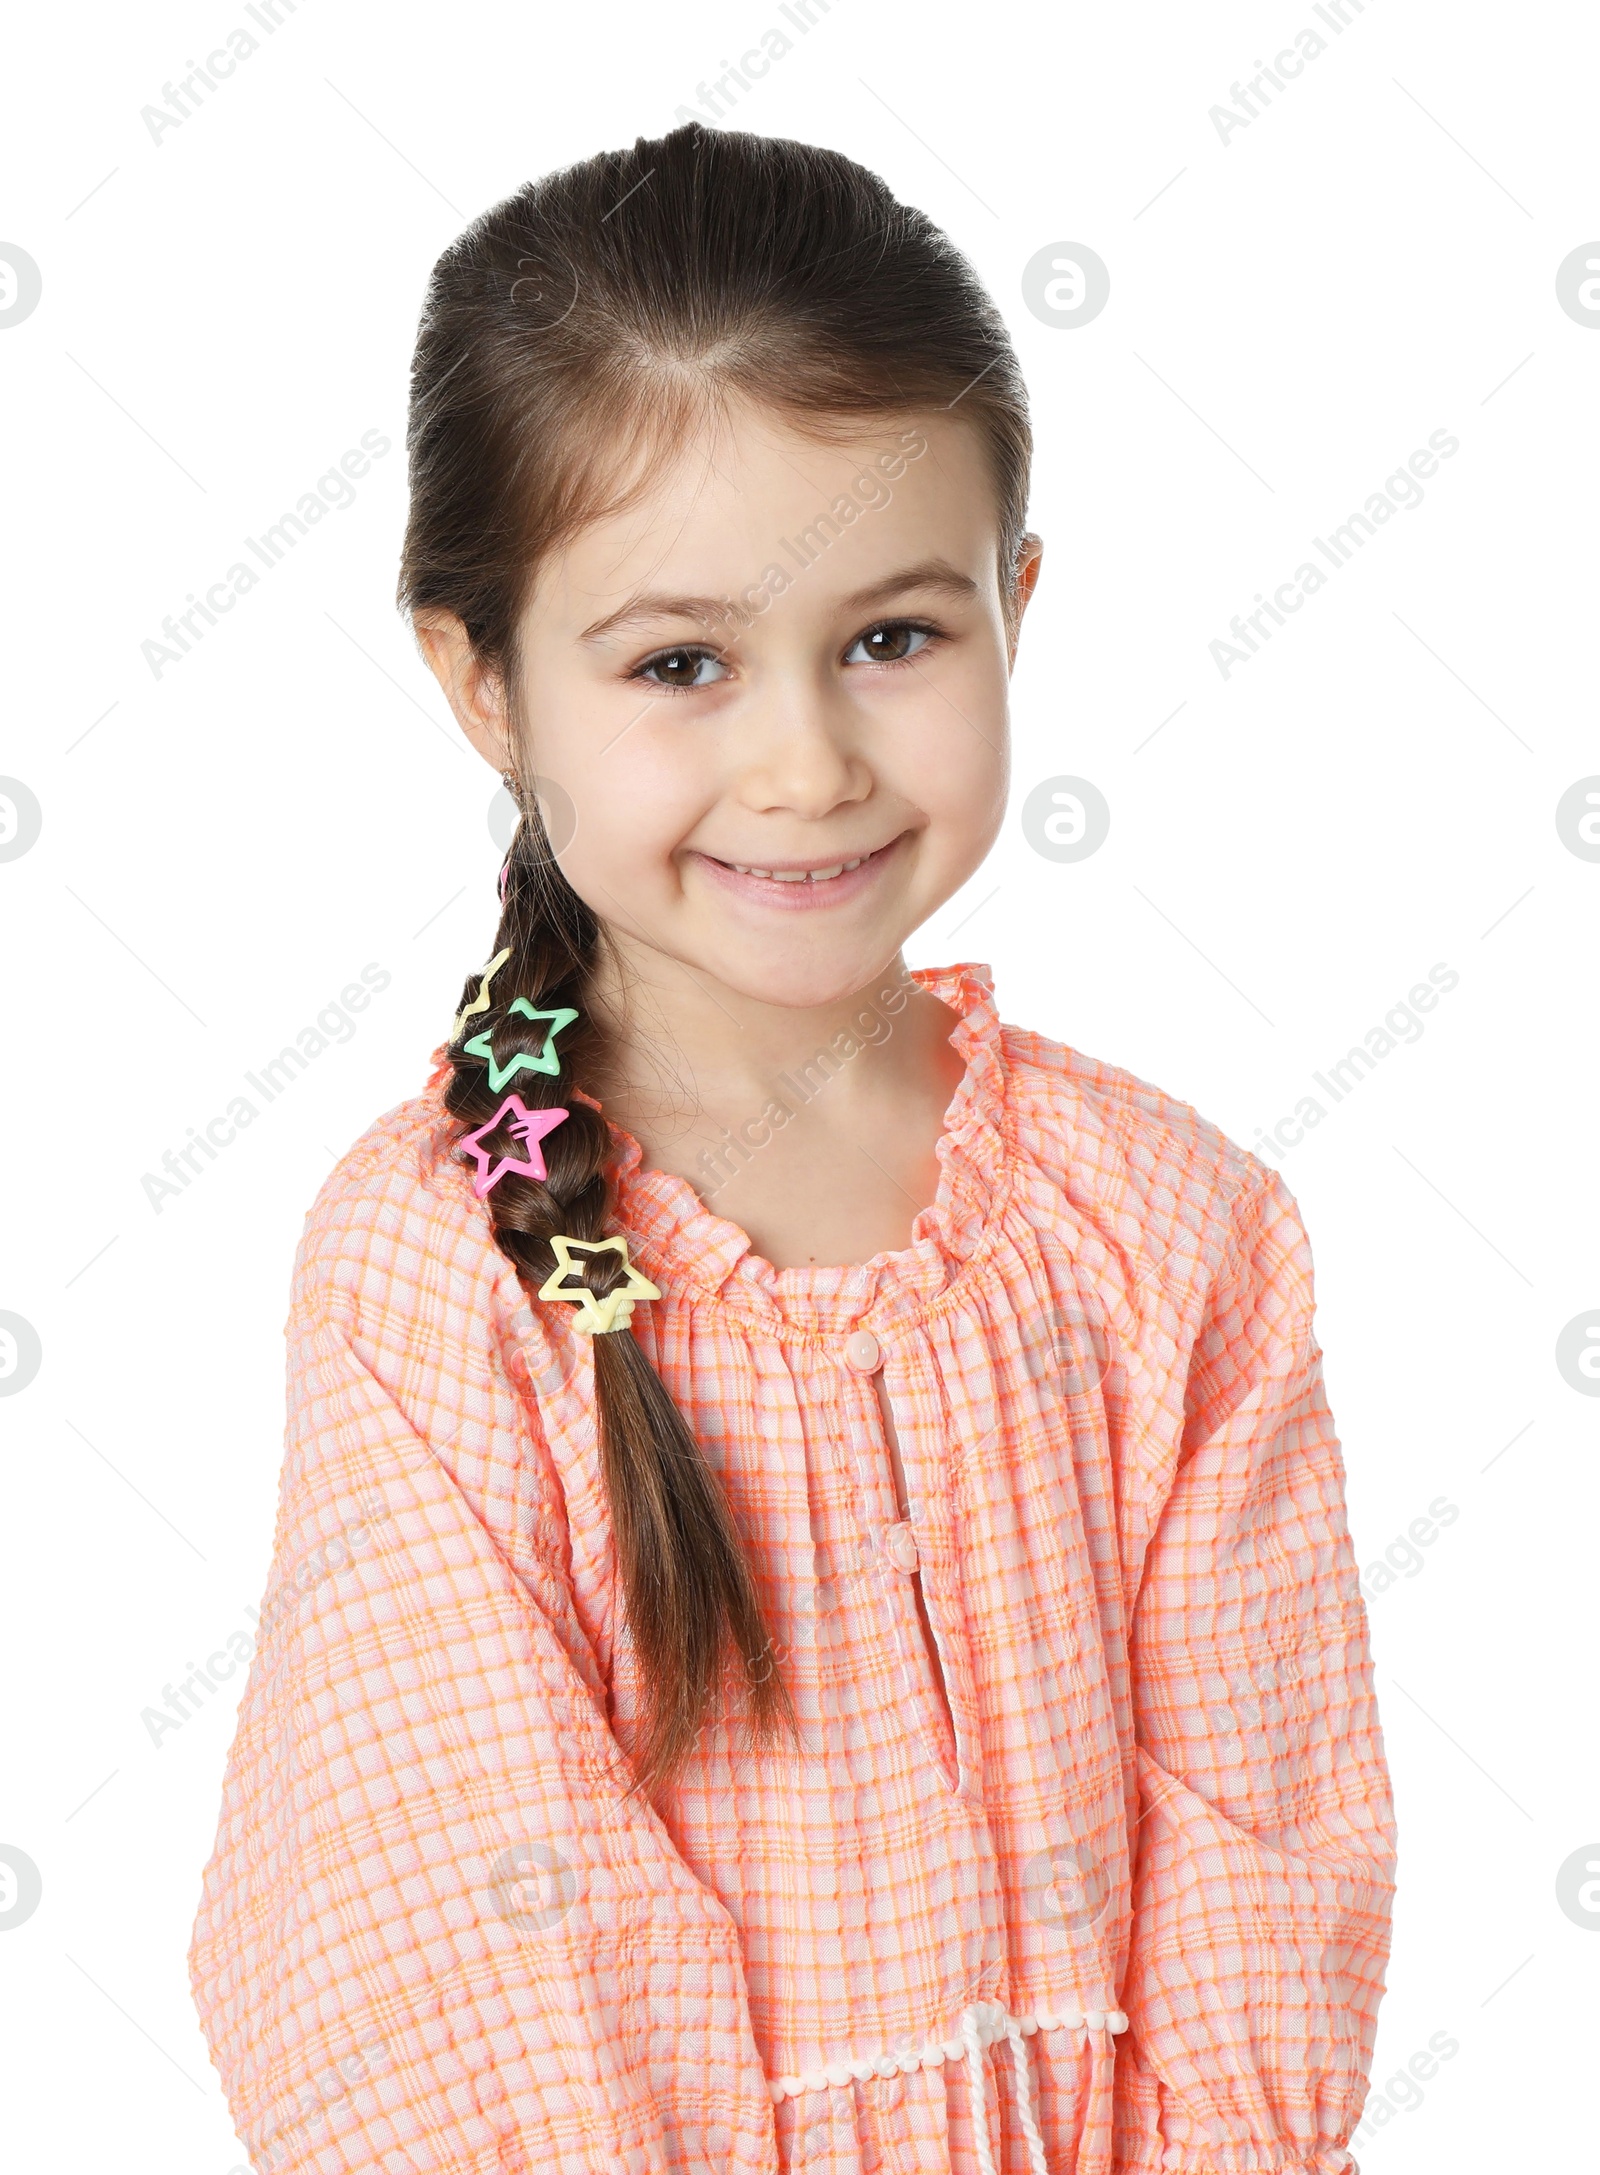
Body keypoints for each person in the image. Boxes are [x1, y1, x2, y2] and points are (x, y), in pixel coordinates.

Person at [187, 122, 1395, 2175]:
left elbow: (1259, 1869)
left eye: (892, 638)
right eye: (679, 663)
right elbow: (448, 1953)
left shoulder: (1178, 1231)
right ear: (481, 678)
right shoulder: (438, 1267)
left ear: (1015, 603)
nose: (805, 760)